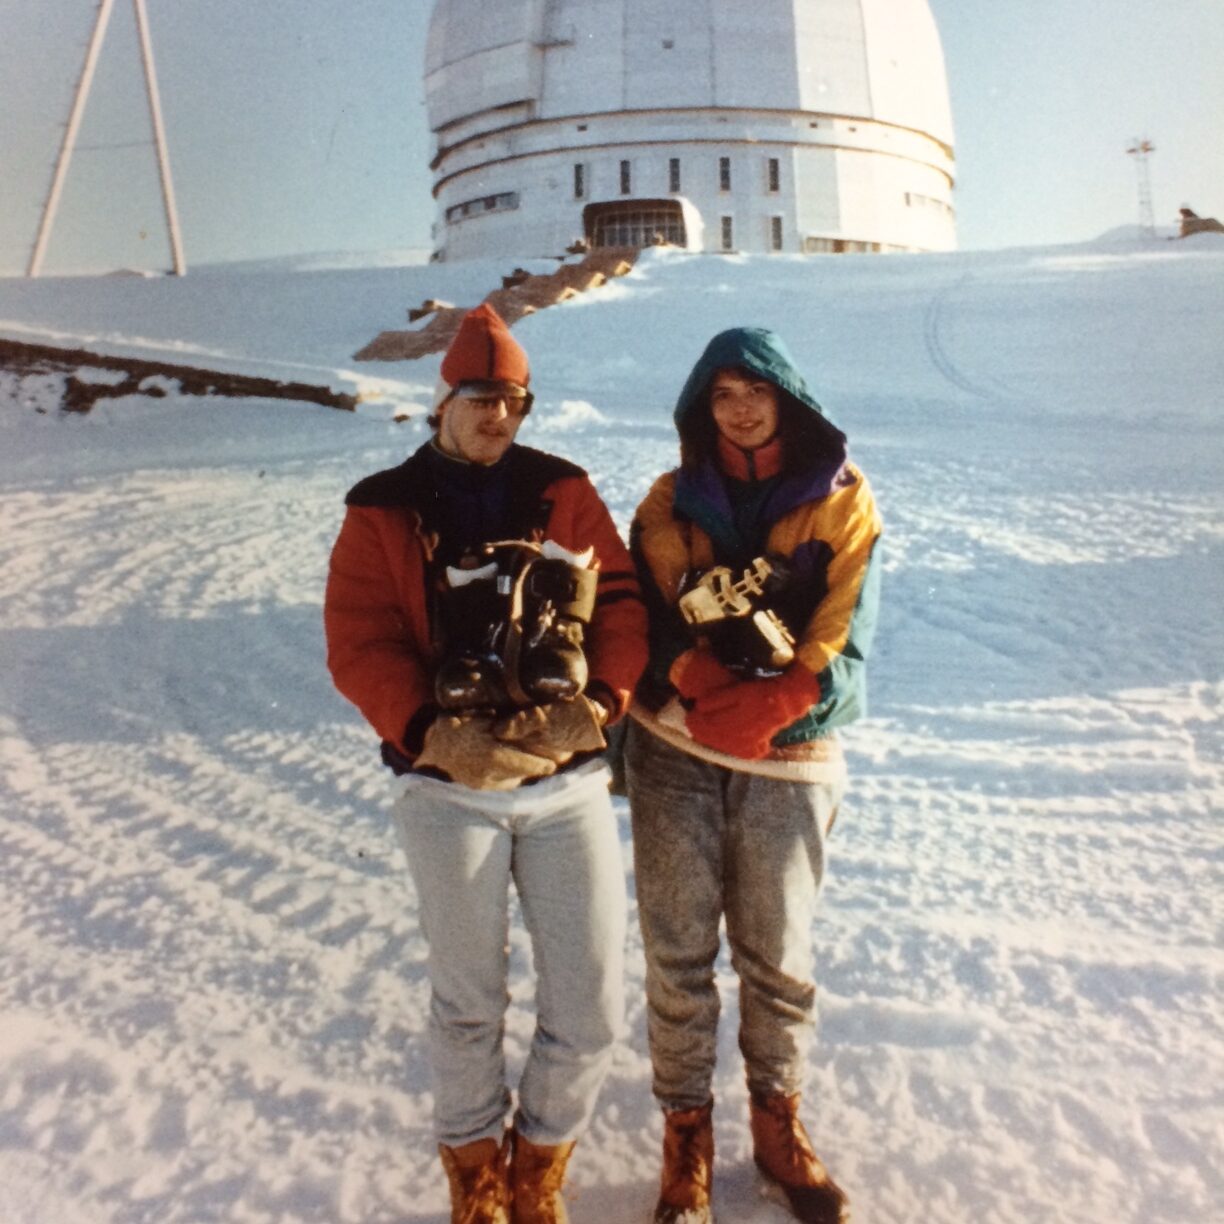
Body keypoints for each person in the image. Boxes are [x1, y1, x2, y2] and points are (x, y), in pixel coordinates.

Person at [324, 303, 647, 1224]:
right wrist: (428, 730)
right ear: (445, 401)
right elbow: (359, 638)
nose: (499, 417)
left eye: (514, 400)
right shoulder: (381, 507)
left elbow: (620, 603)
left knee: (589, 1008)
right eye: (480, 398)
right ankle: (476, 1177)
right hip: (446, 790)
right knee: (468, 1003)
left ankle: (541, 1160)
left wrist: (598, 704)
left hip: (562, 786)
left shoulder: (564, 489)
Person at [624, 327, 881, 1224]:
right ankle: (685, 1141)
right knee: (678, 952)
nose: (739, 407)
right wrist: (682, 674)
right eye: (722, 393)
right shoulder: (668, 504)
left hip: (790, 759)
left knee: (778, 957)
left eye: (755, 391)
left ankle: (779, 1125)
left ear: (787, 398)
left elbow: (849, 634)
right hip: (675, 751)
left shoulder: (842, 504)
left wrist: (787, 701)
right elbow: (639, 621)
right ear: (702, 407)